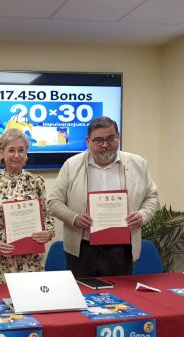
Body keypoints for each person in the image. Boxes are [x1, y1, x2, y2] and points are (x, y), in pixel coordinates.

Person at [47, 116, 159, 277]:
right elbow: (54, 201)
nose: (105, 145)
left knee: (121, 298)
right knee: (82, 296)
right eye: (98, 140)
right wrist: (74, 217)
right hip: (82, 248)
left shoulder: (138, 164)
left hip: (122, 249)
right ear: (88, 141)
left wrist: (143, 215)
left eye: (110, 139)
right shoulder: (71, 165)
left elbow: (152, 197)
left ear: (117, 136)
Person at [0, 129, 54, 284]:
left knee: (32, 301)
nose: (16, 155)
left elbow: (47, 217)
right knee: (0, 304)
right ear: (1, 153)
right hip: (0, 257)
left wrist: (48, 233)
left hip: (30, 259)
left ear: (26, 154)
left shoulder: (36, 181)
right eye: (11, 150)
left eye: (21, 150)